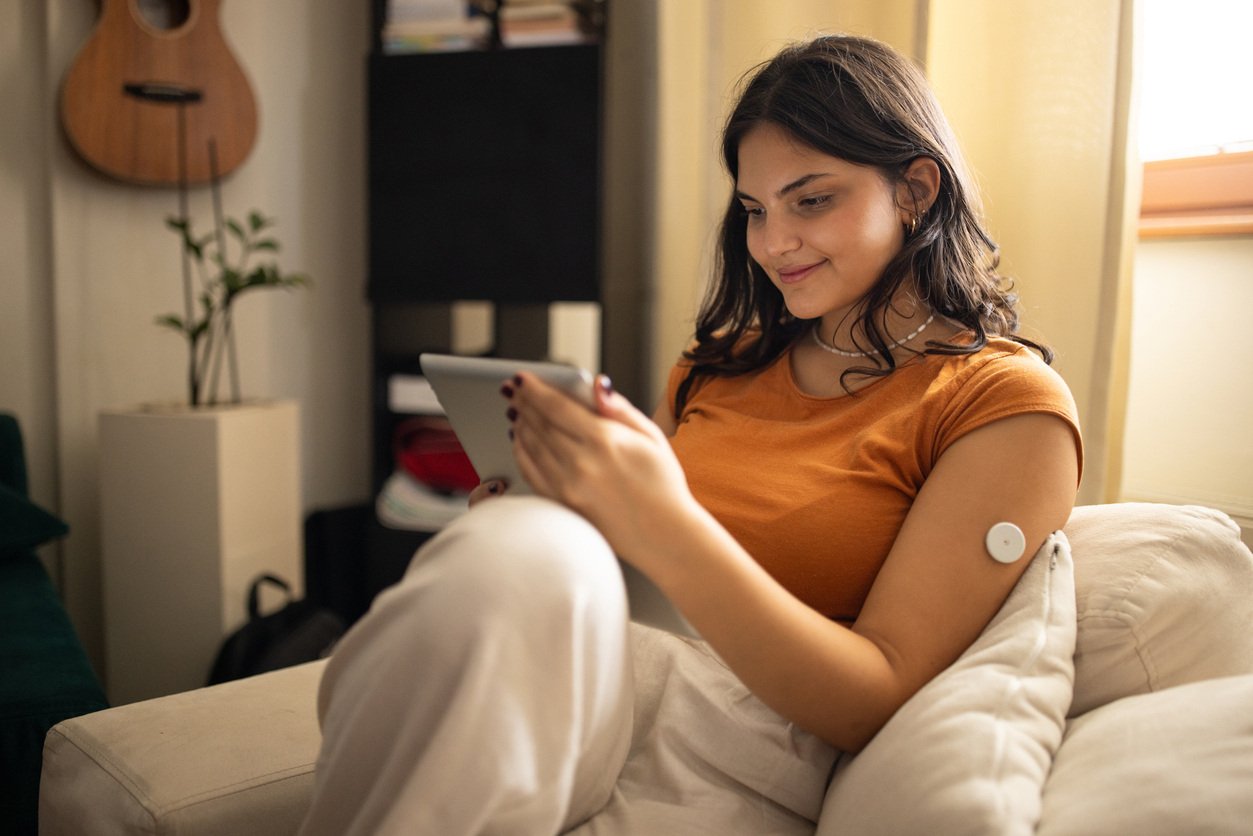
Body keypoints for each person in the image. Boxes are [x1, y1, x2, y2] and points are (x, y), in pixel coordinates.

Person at [300, 33, 1082, 835]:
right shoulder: (720, 367)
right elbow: (623, 569)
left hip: (737, 736)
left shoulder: (1002, 405)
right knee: (515, 551)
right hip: (590, 675)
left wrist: (663, 522)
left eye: (810, 200)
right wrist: (562, 506)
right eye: (754, 210)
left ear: (914, 189)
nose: (774, 242)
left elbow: (876, 693)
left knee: (520, 565)